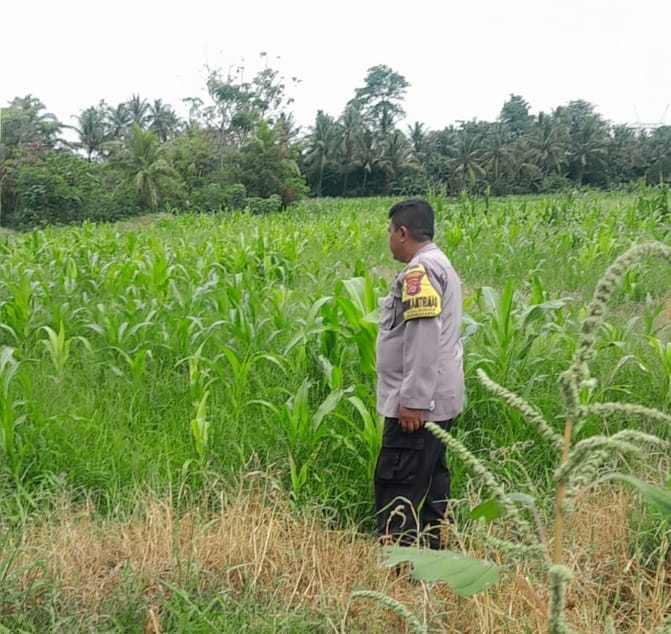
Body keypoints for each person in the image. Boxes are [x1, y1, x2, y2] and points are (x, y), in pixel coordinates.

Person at [374, 198, 464, 550]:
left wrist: (412, 400)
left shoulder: (420, 271)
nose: (389, 239)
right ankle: (431, 558)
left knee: (399, 487)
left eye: (389, 231)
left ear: (402, 232)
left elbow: (423, 337)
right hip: (438, 400)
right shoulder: (440, 263)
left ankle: (402, 567)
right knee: (430, 483)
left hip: (418, 407)